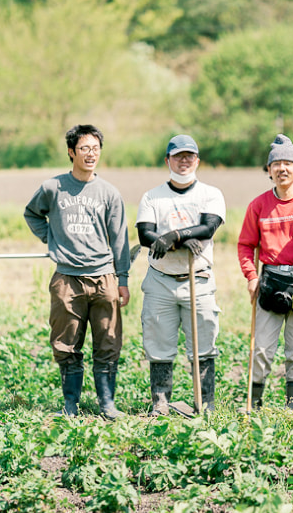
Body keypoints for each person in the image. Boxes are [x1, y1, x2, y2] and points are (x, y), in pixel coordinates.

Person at [23, 124, 132, 420]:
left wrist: (122, 280)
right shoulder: (53, 188)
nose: (90, 154)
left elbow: (119, 238)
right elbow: (32, 213)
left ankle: (107, 403)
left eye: (95, 149)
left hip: (104, 278)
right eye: (84, 148)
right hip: (66, 279)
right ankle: (70, 403)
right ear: (71, 152)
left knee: (108, 341)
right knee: (66, 342)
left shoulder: (109, 193)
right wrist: (51, 237)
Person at [136, 134, 227, 415]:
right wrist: (185, 237)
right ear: (168, 161)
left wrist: (174, 235)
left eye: (189, 156)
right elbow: (145, 234)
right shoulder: (152, 196)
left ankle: (206, 403)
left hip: (197, 279)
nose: (184, 160)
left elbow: (208, 228)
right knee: (158, 341)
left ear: (197, 160)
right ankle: (161, 402)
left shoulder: (210, 194)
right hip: (160, 279)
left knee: (204, 342)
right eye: (178, 156)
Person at [237, 135, 293, 411]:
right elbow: (245, 244)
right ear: (269, 170)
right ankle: (255, 403)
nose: (282, 169)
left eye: (289, 163)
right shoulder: (258, 205)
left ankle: (292, 406)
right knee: (262, 347)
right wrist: (252, 277)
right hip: (270, 280)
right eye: (276, 164)